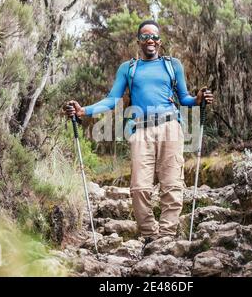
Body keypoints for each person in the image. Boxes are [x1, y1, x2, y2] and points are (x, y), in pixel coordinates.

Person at [65, 20, 213, 242]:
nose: (150, 40)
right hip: (140, 130)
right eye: (145, 37)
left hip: (170, 126)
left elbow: (185, 98)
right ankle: (150, 236)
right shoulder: (128, 68)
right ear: (138, 41)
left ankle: (166, 237)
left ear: (160, 41)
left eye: (154, 36)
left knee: (172, 185)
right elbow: (112, 99)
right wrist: (83, 110)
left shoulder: (173, 65)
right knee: (139, 188)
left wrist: (198, 99)